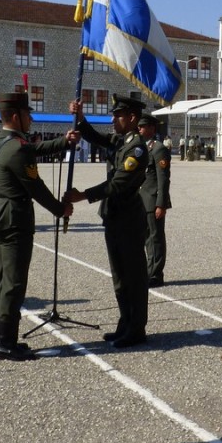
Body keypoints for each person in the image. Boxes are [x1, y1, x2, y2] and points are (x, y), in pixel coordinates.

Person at [0, 93, 75, 361]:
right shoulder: (18, 147)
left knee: (3, 281)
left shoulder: (2, 141)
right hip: (16, 219)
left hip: (2, 216)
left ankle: (4, 339)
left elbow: (31, 150)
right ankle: (5, 343)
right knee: (13, 283)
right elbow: (37, 188)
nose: (31, 118)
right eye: (28, 113)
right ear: (16, 116)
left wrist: (63, 142)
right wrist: (61, 210)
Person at [65, 94, 150, 349]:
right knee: (120, 276)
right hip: (113, 216)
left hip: (128, 219)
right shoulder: (120, 141)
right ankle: (125, 322)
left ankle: (137, 329)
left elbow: (118, 183)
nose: (113, 119)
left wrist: (82, 196)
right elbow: (96, 137)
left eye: (118, 115)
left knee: (133, 275)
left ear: (132, 118)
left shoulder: (136, 148)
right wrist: (80, 119)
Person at [137, 114, 172, 288]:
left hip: (153, 201)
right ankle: (148, 270)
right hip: (142, 201)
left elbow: (163, 179)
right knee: (146, 238)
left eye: (142, 126)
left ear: (152, 128)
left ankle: (156, 274)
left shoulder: (159, 149)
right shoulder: (142, 148)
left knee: (156, 238)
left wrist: (161, 203)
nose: (139, 129)